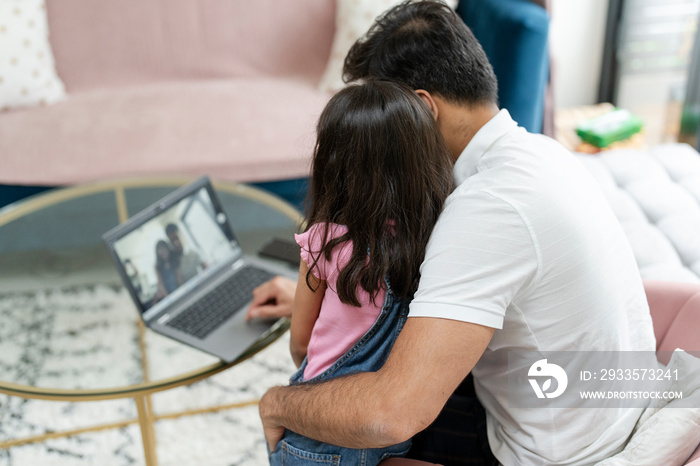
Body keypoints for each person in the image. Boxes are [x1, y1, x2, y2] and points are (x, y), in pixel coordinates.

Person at [254, 1, 657, 465]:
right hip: (590, 411)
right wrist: (330, 294)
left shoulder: (487, 209)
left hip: (550, 453)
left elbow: (390, 414)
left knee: (308, 429)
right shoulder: (540, 154)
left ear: (423, 109)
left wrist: (277, 402)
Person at [268, 79, 454, 465]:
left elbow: (300, 345)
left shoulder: (323, 242)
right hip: (391, 433)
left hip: (319, 433)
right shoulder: (435, 241)